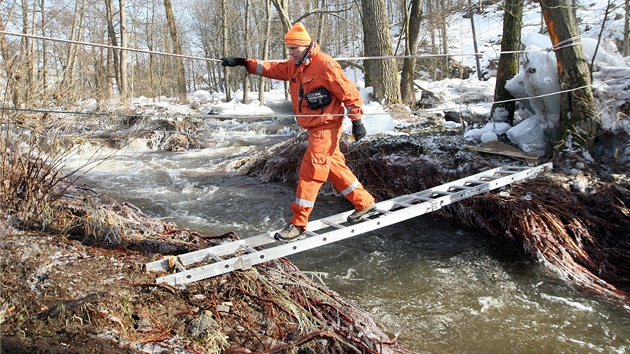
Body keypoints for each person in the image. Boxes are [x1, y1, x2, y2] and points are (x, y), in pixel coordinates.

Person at [221, 22, 377, 242]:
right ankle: (365, 203)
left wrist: (357, 121)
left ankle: (298, 224)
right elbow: (270, 68)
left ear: (305, 46)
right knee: (334, 168)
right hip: (313, 129)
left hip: (326, 127)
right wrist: (243, 63)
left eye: (293, 49)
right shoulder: (293, 66)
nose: (290, 53)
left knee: (311, 172)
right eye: (289, 49)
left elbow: (349, 93)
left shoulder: (325, 65)